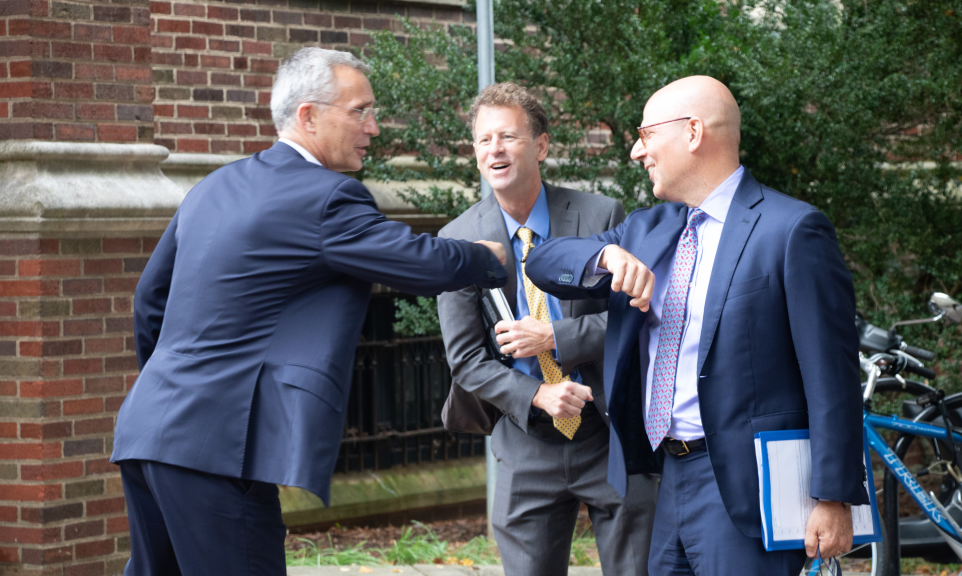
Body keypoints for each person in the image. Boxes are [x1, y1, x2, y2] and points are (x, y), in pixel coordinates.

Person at [110, 47, 508, 576]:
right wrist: (489, 255)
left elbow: (148, 302)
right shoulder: (327, 198)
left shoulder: (214, 186)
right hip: (217, 447)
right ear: (308, 116)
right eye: (360, 110)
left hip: (147, 429)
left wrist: (172, 389)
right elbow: (423, 263)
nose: (374, 127)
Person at [524, 76, 869, 575]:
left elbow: (831, 375)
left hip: (750, 489)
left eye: (645, 135)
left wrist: (833, 497)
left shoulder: (792, 229)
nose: (637, 153)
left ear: (692, 132)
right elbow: (543, 262)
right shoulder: (647, 228)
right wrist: (605, 254)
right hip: (668, 475)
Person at [436, 82, 658, 576]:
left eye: (508, 137)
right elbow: (466, 361)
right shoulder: (455, 240)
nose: (494, 149)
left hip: (608, 436)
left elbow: (632, 318)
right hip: (523, 443)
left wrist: (556, 339)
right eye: (482, 140)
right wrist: (537, 396)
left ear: (540, 145)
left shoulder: (600, 215)